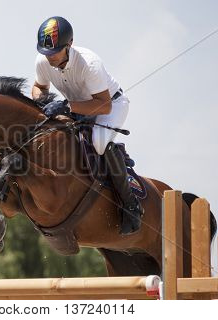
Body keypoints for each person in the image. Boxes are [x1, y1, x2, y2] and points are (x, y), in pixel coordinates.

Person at [31, 16, 143, 235]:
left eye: (54, 52)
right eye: (45, 52)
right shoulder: (43, 61)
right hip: (76, 108)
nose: (49, 57)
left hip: (111, 105)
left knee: (99, 143)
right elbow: (38, 87)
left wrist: (65, 105)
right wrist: (41, 99)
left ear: (69, 45)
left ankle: (130, 205)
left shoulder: (89, 63)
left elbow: (103, 105)